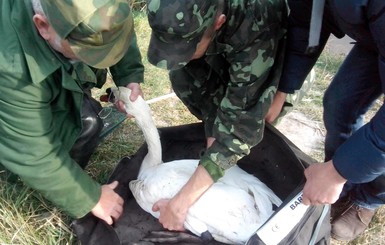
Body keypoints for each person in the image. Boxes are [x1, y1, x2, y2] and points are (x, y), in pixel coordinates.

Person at [145, 0, 287, 231]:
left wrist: (180, 205)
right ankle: (218, 148)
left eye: (187, 46)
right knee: (183, 76)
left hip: (275, 52)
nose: (181, 54)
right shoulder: (183, 11)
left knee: (258, 119)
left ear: (219, 22)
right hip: (224, 43)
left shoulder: (256, 21)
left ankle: (223, 157)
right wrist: (215, 135)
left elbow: (242, 120)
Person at [0, 0, 144, 225]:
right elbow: (33, 151)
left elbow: (112, 28)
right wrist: (90, 198)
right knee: (75, 126)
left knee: (86, 121)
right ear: (43, 26)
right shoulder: (10, 66)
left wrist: (129, 78)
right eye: (88, 52)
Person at [266, 0, 385, 241]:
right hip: (375, 36)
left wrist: (337, 173)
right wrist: (283, 91)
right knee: (339, 104)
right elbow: (306, 24)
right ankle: (344, 185)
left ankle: (369, 197)